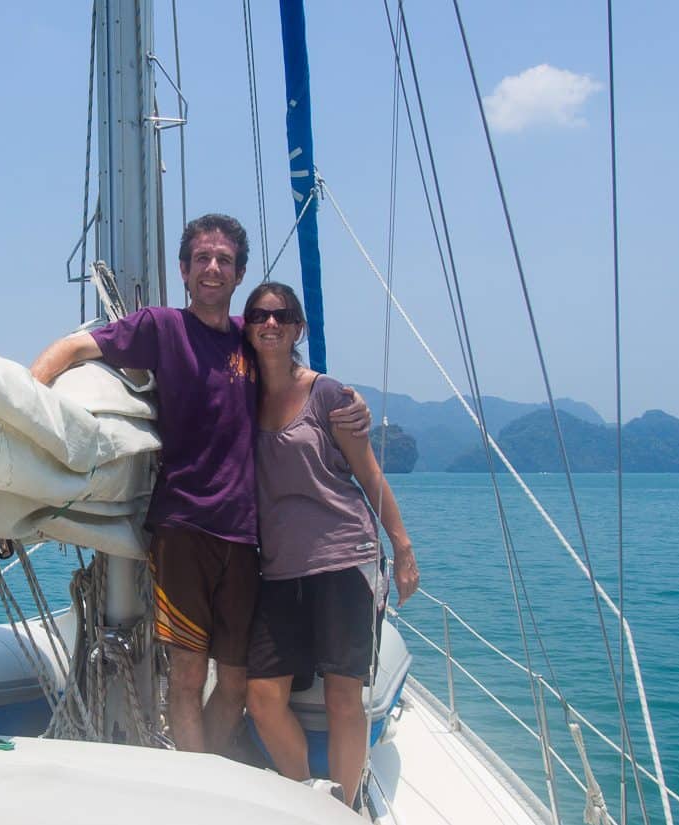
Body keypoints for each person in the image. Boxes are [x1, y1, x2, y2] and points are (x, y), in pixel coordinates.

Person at [29, 214, 369, 755]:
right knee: (187, 677)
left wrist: (352, 404)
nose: (213, 268)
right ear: (184, 271)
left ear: (238, 277)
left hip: (245, 539)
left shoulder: (251, 338)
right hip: (183, 528)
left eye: (225, 261)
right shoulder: (161, 328)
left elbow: (300, 385)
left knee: (234, 682)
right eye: (203, 259)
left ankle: (207, 776)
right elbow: (74, 349)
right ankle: (199, 798)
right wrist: (27, 403)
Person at [241, 281, 419, 807]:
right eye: (258, 315)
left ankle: (346, 808)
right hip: (278, 571)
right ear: (247, 327)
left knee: (345, 699)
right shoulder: (242, 397)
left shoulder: (328, 396)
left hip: (345, 560)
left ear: (299, 328)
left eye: (282, 315)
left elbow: (368, 474)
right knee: (262, 696)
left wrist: (403, 549)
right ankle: (304, 801)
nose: (270, 323)